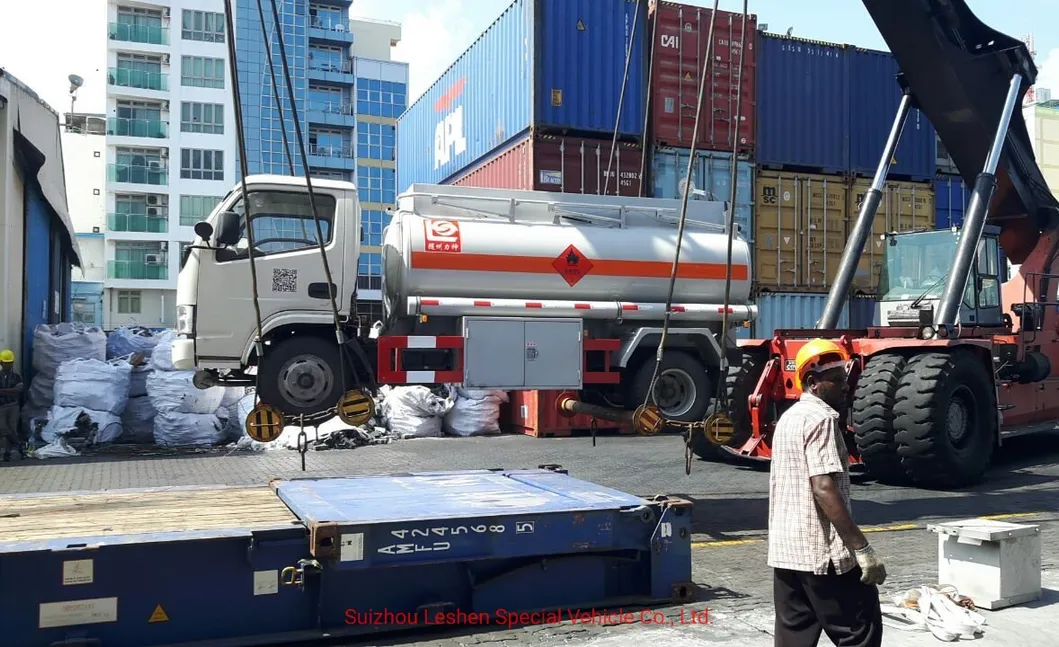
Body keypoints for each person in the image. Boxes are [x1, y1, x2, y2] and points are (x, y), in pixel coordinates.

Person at [767, 338, 887, 647]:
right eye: (836, 381)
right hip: (821, 556)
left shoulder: (788, 419)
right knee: (861, 630)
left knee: (794, 637)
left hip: (787, 553)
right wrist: (861, 549)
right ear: (812, 383)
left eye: (844, 379)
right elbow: (822, 486)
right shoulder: (822, 420)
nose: (845, 387)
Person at [0, 349, 24, 461]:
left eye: (10, 363)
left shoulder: (16, 377)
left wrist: (2, 391)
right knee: (3, 428)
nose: (9, 365)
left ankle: (7, 453)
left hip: (13, 406)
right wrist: (11, 390)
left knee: (12, 429)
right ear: (1, 363)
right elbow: (14, 390)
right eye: (6, 363)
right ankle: (19, 444)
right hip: (1, 407)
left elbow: (18, 390)